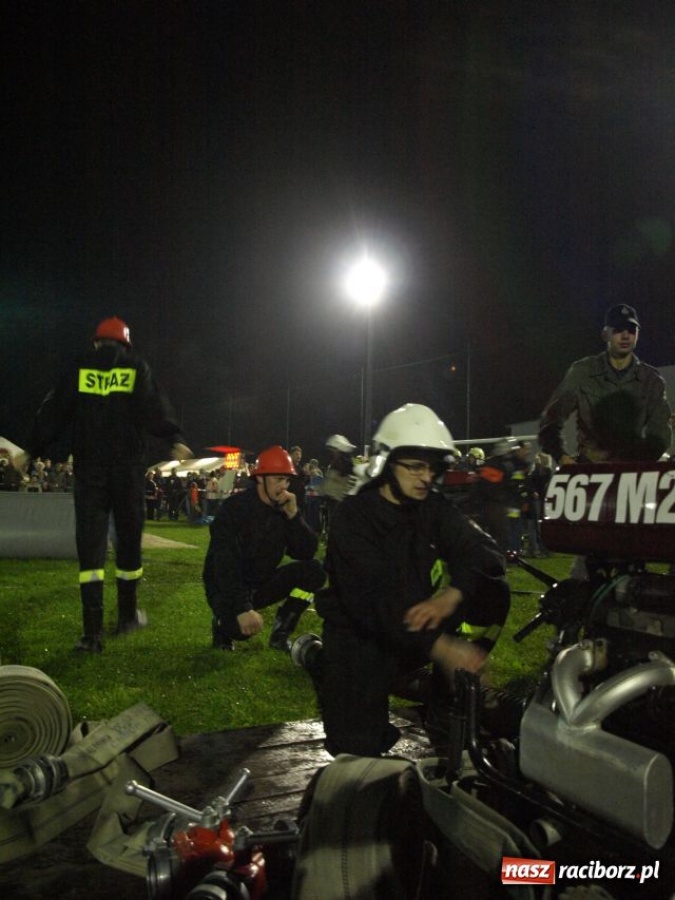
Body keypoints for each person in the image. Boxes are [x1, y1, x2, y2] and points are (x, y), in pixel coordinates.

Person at [312, 403, 510, 758]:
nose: (425, 477)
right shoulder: (353, 517)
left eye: (432, 468)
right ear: (387, 463)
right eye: (415, 466)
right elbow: (373, 602)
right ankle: (318, 660)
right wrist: (443, 648)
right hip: (359, 637)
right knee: (358, 753)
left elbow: (476, 552)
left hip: (414, 626)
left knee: (491, 592)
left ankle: (443, 701)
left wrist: (454, 593)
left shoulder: (433, 508)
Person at [12, 316, 192, 653]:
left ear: (96, 342)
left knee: (91, 548)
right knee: (128, 546)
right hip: (127, 470)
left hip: (90, 471)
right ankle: (127, 617)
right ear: (125, 344)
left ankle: (91, 634)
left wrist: (31, 450)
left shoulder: (80, 367)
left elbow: (54, 411)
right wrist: (174, 438)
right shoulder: (135, 366)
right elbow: (154, 406)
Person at [203, 445, 326, 652]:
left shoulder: (283, 509)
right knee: (240, 630)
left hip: (260, 581)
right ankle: (222, 625)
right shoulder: (235, 509)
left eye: (287, 480)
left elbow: (305, 552)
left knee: (315, 571)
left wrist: (295, 517)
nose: (284, 486)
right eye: (278, 479)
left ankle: (281, 633)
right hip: (226, 587)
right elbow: (225, 562)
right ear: (260, 478)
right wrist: (242, 608)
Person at [539, 304, 672, 464]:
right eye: (618, 329)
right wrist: (560, 455)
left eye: (631, 330)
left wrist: (640, 464)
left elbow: (660, 434)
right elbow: (551, 420)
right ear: (605, 334)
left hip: (632, 473)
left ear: (637, 335)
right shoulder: (582, 372)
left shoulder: (651, 380)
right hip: (589, 472)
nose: (625, 335)